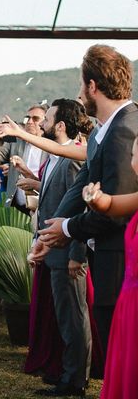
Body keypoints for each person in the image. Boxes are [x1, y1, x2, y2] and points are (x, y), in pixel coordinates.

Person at [36, 44, 138, 369]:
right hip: (106, 257)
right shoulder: (101, 134)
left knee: (124, 360)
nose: (80, 94)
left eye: (82, 86)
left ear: (92, 86)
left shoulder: (124, 130)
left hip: (122, 264)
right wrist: (50, 231)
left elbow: (115, 214)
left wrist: (67, 229)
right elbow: (82, 187)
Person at [24, 99, 94, 397]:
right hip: (54, 251)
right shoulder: (56, 158)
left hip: (68, 253)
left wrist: (77, 255)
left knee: (74, 317)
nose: (42, 124)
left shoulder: (73, 159)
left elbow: (80, 211)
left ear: (60, 126)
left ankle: (75, 380)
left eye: (47, 119)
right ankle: (68, 371)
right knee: (66, 317)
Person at [83, 138, 138, 399]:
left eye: (134, 154)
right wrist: (95, 199)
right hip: (128, 305)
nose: (131, 161)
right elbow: (112, 205)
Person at [0, 104, 48, 213]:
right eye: (27, 118)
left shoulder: (51, 146)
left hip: (42, 206)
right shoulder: (16, 141)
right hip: (16, 205)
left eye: (35, 119)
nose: (29, 121)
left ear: (45, 122)